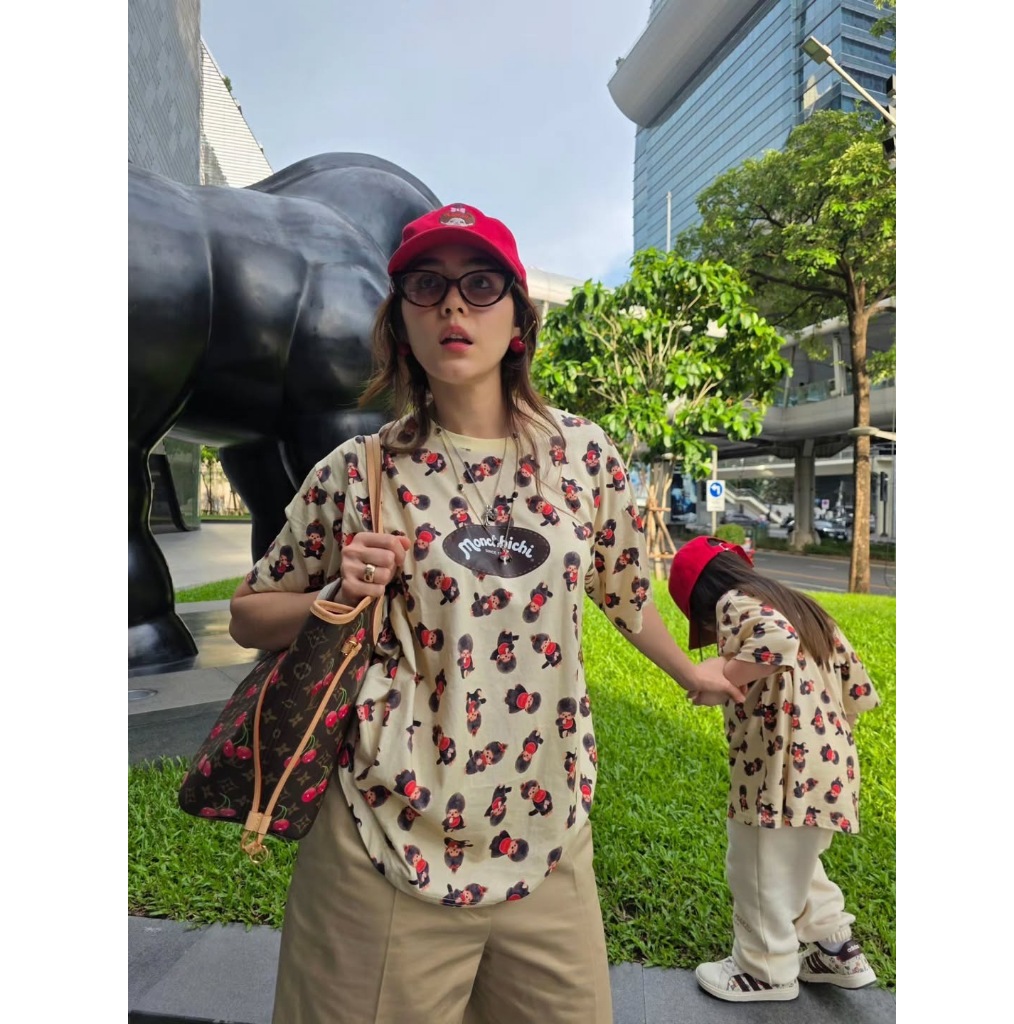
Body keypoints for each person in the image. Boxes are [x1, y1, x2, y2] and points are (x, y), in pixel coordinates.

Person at [227, 202, 746, 1024]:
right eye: (425, 286)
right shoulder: (357, 472)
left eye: (479, 284)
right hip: (383, 834)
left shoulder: (584, 458)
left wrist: (692, 672)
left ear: (519, 321)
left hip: (548, 834)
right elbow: (248, 616)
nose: (452, 306)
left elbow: (623, 590)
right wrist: (336, 594)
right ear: (401, 326)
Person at [668, 535, 881, 1003]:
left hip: (778, 768)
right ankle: (836, 948)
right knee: (795, 863)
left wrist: (723, 678)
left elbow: (775, 640)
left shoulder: (732, 602)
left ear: (701, 602)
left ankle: (764, 969)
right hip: (830, 764)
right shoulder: (802, 607)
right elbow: (857, 689)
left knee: (756, 868)